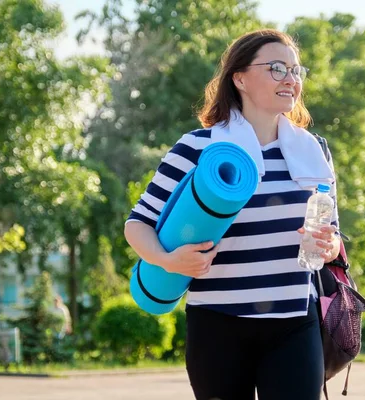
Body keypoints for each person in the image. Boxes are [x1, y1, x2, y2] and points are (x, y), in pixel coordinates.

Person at [124, 29, 341, 400]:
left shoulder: (314, 151)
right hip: (217, 325)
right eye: (276, 68)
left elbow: (332, 239)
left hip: (294, 322)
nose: (290, 79)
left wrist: (329, 244)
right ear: (239, 78)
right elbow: (138, 223)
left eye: (295, 70)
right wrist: (167, 260)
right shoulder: (198, 147)